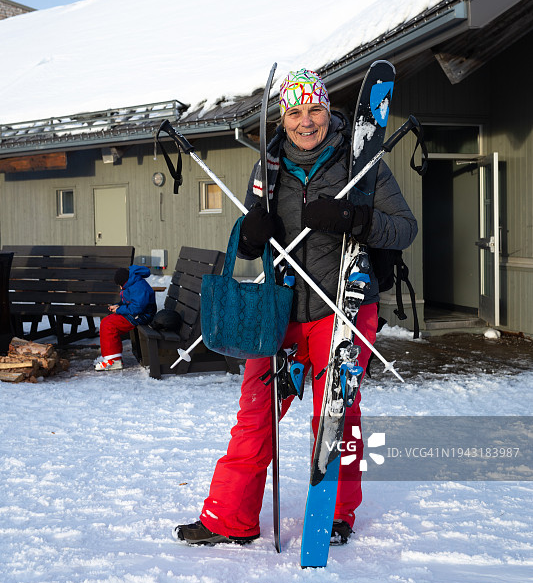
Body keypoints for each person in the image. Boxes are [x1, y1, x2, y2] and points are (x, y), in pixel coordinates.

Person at [174, 69, 417, 545]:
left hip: (343, 307)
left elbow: (405, 228)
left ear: (329, 111)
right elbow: (250, 246)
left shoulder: (361, 164)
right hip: (279, 309)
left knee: (337, 416)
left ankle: (336, 513)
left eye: (315, 110)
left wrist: (352, 218)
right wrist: (248, 236)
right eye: (295, 113)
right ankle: (230, 519)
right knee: (256, 413)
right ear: (283, 120)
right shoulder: (267, 168)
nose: (306, 122)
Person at [94, 265, 156, 371]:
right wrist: (118, 305)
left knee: (109, 325)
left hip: (142, 316)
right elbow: (128, 301)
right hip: (136, 314)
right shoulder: (132, 283)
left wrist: (119, 310)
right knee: (106, 321)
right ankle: (111, 357)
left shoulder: (138, 287)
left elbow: (137, 308)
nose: (121, 288)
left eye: (121, 285)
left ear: (125, 282)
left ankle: (113, 361)